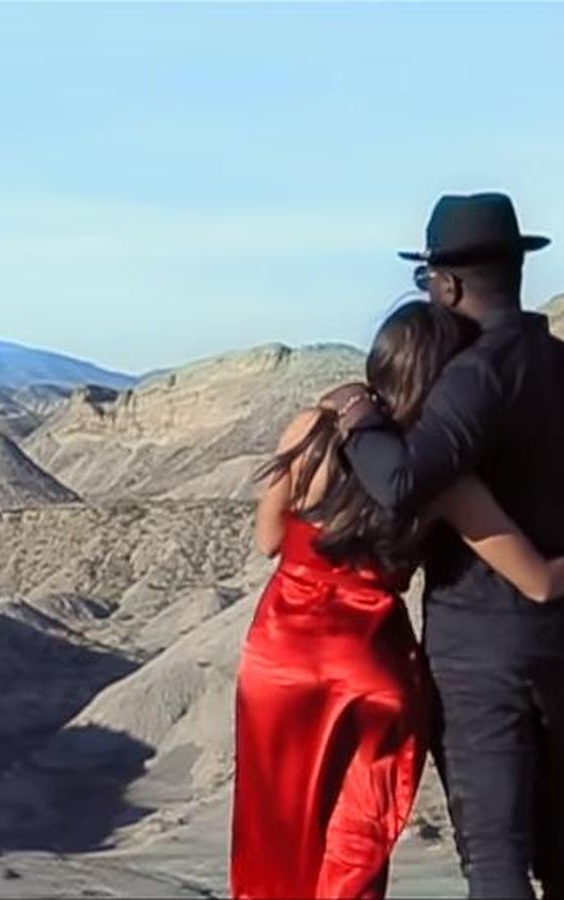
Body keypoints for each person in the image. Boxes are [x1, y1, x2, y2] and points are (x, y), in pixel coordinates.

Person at [232, 299, 564, 900]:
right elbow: (538, 581)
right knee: (355, 842)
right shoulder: (445, 480)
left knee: (276, 832)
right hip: (369, 667)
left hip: (279, 661)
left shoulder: (311, 432)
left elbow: (268, 540)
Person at [324, 193, 563, 898]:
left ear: (448, 285)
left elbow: (401, 482)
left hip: (485, 650)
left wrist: (360, 419)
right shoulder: (556, 361)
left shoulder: (477, 375)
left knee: (494, 857)